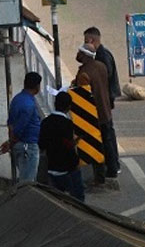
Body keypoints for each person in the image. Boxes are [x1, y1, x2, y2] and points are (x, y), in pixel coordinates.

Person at [84, 27, 121, 181]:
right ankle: (113, 164)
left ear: (91, 40)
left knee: (107, 135)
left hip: (104, 100)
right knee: (108, 133)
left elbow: (105, 77)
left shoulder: (101, 56)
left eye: (86, 40)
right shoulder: (103, 54)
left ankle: (112, 166)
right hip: (105, 100)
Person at [74, 45, 113, 185]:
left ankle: (99, 177)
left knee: (95, 146)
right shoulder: (101, 66)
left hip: (93, 114)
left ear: (84, 55)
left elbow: (82, 94)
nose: (77, 55)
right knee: (107, 142)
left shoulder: (84, 73)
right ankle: (112, 169)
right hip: (105, 110)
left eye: (79, 52)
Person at [39, 91, 84, 201]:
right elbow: (68, 147)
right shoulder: (67, 123)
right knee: (77, 199)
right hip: (67, 168)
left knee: (56, 200)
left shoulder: (45, 122)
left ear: (55, 104)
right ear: (69, 107)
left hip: (51, 167)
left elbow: (42, 144)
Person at [1, 71, 43, 183]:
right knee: (27, 182)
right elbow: (21, 127)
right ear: (37, 86)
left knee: (25, 178)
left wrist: (10, 141)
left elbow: (10, 124)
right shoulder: (28, 104)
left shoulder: (17, 99)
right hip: (28, 145)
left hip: (20, 145)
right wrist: (10, 142)